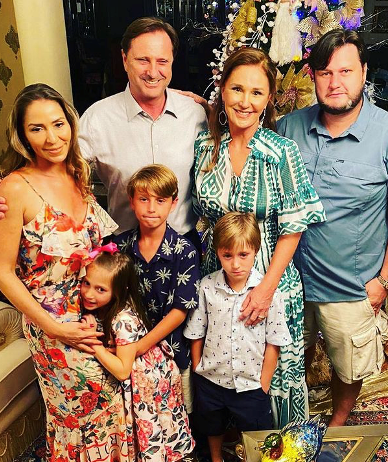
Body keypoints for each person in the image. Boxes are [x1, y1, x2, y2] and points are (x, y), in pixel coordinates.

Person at [277, 29, 388, 426]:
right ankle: (290, 416)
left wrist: (384, 282)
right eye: (325, 72)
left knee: (349, 365)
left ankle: (338, 423)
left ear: (363, 72)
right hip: (288, 281)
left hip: (351, 287)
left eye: (345, 71)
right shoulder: (289, 127)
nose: (335, 82)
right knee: (288, 356)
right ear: (313, 76)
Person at [0, 83, 131, 461]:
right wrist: (53, 328)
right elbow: (2, 272)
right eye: (37, 129)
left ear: (70, 123)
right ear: (22, 136)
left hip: (94, 310)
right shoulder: (13, 189)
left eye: (58, 124)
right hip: (52, 325)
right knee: (77, 413)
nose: (52, 138)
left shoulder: (76, 172)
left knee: (110, 407)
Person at [0, 17, 207, 248]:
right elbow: (53, 168)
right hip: (122, 249)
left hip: (185, 246)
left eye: (162, 61)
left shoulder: (195, 114)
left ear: (172, 62)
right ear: (124, 59)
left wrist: (212, 109)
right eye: (143, 60)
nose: (152, 71)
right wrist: (7, 192)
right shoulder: (97, 118)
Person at [193, 47, 326, 426]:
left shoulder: (281, 152)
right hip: (218, 281)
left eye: (256, 92)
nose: (245, 101)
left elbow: (295, 224)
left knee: (272, 377)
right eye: (237, 89)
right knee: (222, 369)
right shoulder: (205, 148)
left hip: (271, 281)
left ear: (269, 99)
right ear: (222, 90)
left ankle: (277, 444)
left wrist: (266, 290)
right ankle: (225, 441)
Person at [184, 212, 292, 462]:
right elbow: (197, 331)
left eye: (243, 255)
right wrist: (198, 367)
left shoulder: (268, 293)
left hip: (251, 383)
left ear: (255, 250)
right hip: (211, 380)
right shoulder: (207, 287)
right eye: (227, 255)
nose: (235, 264)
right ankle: (215, 458)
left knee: (256, 433)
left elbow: (274, 341)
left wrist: (264, 383)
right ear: (218, 253)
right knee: (211, 426)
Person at [80, 250, 194, 462]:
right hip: (146, 374)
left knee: (155, 428)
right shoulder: (103, 308)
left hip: (148, 380)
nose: (89, 294)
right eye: (86, 283)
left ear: (118, 291)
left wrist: (93, 343)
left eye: (100, 289)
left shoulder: (123, 320)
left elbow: (123, 371)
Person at [113, 164, 200, 413]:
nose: (151, 208)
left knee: (177, 412)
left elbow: (180, 311)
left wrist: (141, 346)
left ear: (173, 203)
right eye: (144, 199)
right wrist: (129, 347)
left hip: (172, 350)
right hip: (127, 350)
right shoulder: (120, 247)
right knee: (138, 412)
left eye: (160, 200)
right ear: (132, 201)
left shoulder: (184, 251)